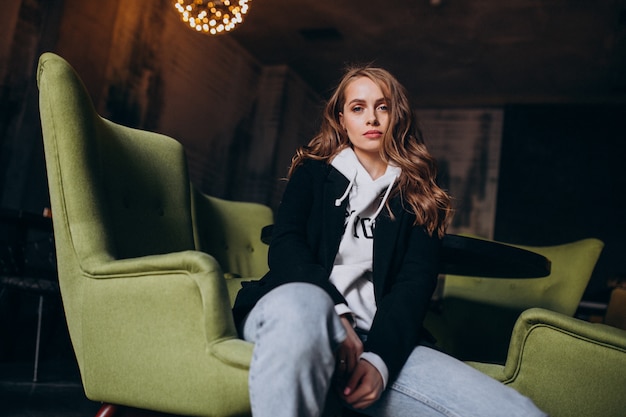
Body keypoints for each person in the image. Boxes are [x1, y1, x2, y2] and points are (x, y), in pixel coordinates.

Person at [232, 66, 546, 417]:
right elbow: (287, 246)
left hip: (380, 340)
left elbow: (414, 284)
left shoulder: (420, 194)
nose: (372, 118)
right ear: (341, 119)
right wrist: (337, 315)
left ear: (398, 116)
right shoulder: (312, 172)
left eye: (383, 107)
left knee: (518, 411)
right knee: (304, 305)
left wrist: (379, 360)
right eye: (358, 108)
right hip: (297, 314)